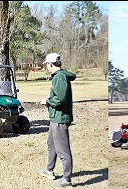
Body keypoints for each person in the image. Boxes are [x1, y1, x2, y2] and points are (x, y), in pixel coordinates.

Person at [37, 53, 76, 188]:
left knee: (62, 150)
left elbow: (59, 100)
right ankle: (49, 170)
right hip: (55, 117)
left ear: (51, 64)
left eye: (47, 64)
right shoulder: (59, 76)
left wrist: (46, 101)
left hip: (60, 118)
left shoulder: (59, 77)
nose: (47, 67)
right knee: (51, 144)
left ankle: (66, 179)